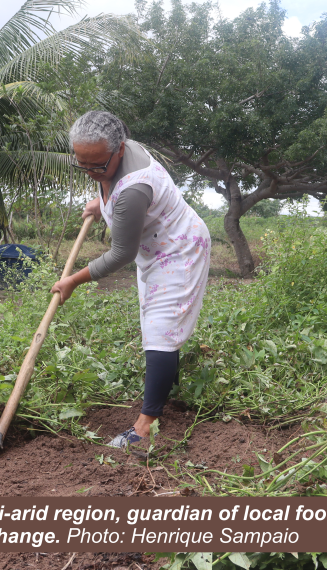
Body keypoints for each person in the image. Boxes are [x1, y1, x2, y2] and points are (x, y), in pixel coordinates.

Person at [50, 111, 211, 449]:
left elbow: (121, 254)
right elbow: (110, 182)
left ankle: (144, 426)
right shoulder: (115, 150)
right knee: (156, 323)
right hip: (153, 249)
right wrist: (100, 200)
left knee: (160, 331)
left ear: (120, 150)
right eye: (83, 165)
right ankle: (170, 386)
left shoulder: (134, 189)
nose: (92, 172)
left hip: (178, 249)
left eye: (98, 165)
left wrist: (73, 281)